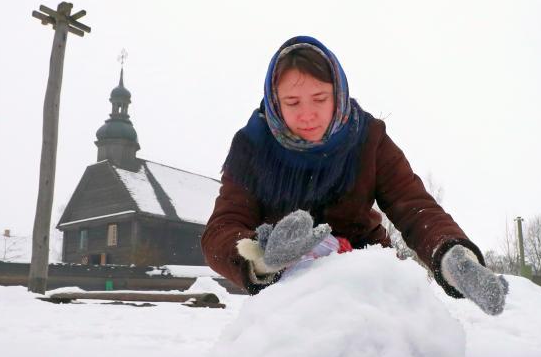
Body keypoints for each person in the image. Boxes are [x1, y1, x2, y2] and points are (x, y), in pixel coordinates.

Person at [201, 36, 507, 315]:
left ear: (339, 93)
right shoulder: (251, 147)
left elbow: (414, 207)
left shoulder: (368, 137)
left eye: (320, 98)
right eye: (292, 103)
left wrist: (451, 255)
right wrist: (262, 257)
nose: (307, 115)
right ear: (273, 101)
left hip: (366, 281)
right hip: (289, 296)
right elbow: (222, 228)